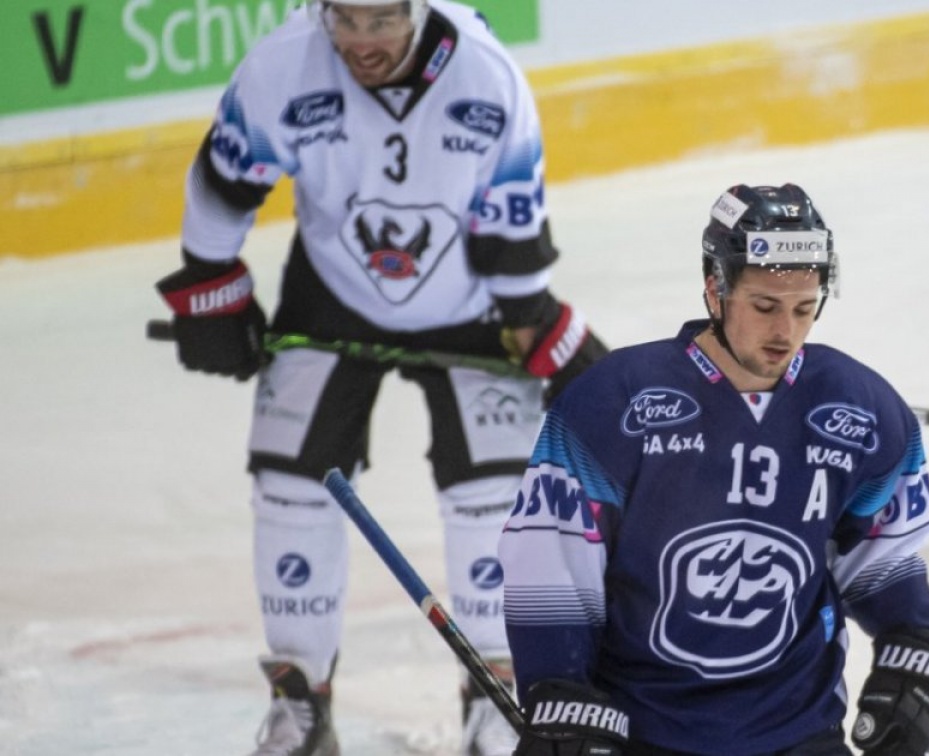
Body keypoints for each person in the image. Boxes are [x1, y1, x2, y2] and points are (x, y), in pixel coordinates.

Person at [153, 1, 607, 753]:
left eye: (383, 21)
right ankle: (300, 698)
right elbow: (223, 183)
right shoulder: (283, 65)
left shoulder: (487, 77)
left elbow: (513, 239)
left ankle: (495, 690)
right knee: (289, 479)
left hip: (470, 306)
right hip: (331, 296)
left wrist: (546, 335)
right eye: (347, 19)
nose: (362, 42)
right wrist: (211, 284)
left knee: (492, 489)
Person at [498, 184, 929, 755]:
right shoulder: (612, 403)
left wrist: (916, 642)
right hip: (645, 732)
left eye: (804, 308)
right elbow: (552, 561)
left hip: (799, 730)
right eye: (765, 307)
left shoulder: (860, 409)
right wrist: (559, 689)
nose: (785, 333)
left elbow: (883, 553)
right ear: (715, 288)